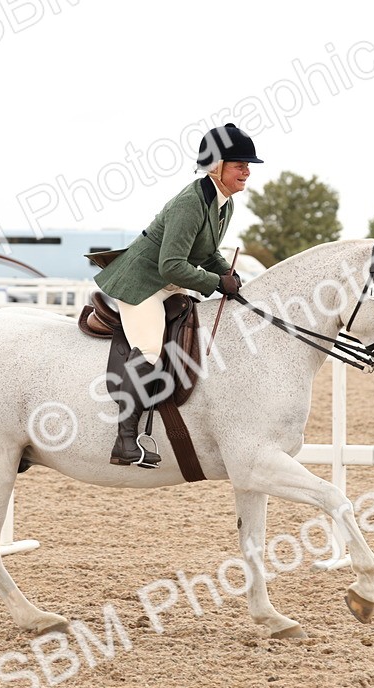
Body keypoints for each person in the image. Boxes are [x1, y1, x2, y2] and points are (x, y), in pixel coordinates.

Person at [94, 123, 262, 467]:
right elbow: (171, 265)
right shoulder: (190, 202)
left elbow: (208, 251)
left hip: (167, 284)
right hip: (142, 284)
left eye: (247, 166)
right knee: (152, 351)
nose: (246, 171)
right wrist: (215, 282)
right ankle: (124, 441)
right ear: (216, 167)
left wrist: (226, 272)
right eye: (239, 165)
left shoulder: (223, 202)